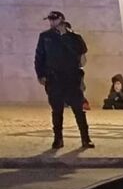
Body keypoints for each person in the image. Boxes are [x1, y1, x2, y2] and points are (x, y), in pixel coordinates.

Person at [33, 10, 94, 150]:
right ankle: (58, 139)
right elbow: (39, 57)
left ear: (61, 20)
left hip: (72, 78)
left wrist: (66, 36)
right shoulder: (45, 37)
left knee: (78, 110)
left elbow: (82, 54)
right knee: (57, 110)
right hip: (54, 78)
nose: (51, 22)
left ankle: (85, 138)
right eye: (50, 19)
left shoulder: (74, 37)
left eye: (54, 19)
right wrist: (40, 74)